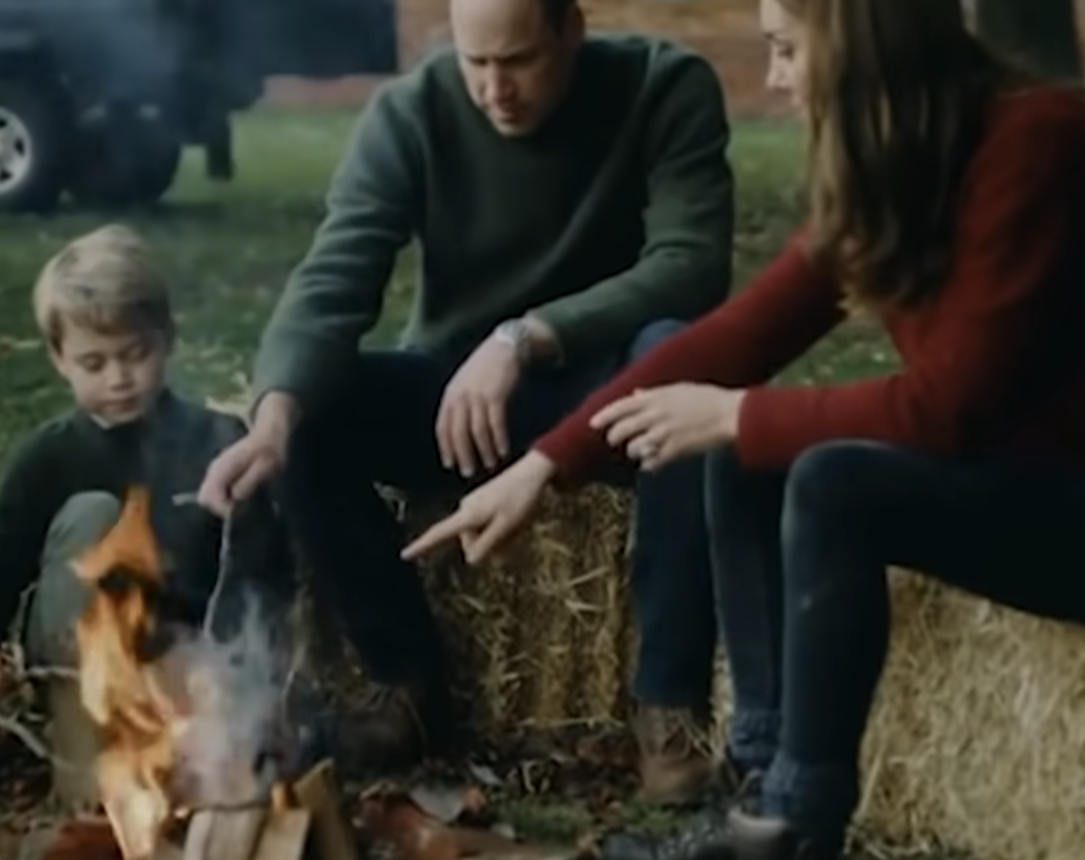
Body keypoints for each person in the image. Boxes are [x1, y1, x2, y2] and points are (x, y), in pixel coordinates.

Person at [401, 0, 1085, 860]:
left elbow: (952, 409)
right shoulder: (902, 165)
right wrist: (548, 463)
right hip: (1029, 483)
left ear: (855, 47)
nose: (771, 78)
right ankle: (760, 788)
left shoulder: (1035, 145)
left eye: (783, 50)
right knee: (743, 448)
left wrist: (735, 414)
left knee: (827, 479)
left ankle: (796, 832)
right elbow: (736, 337)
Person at [198, 0, 736, 794]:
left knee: (681, 370)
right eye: (473, 62)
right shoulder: (409, 111)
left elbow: (691, 266)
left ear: (571, 31)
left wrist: (525, 336)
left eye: (517, 61)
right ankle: (403, 685)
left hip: (606, 381)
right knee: (315, 411)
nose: (494, 89)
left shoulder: (663, 84)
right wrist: (271, 420)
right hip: (459, 400)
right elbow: (335, 278)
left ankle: (668, 706)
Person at [0, 224, 297, 805]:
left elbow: (262, 566)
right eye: (94, 362)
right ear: (60, 359)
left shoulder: (218, 441)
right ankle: (87, 763)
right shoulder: (48, 457)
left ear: (168, 339)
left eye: (136, 354)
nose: (118, 377)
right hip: (81, 656)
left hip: (191, 659)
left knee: (236, 784)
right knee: (93, 515)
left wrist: (250, 666)